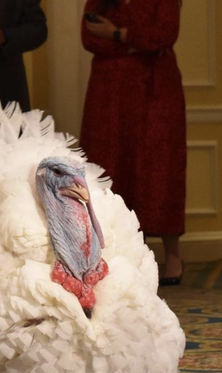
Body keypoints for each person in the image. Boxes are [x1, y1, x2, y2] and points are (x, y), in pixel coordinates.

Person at [80, 0, 186, 285]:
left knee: (160, 169)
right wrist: (134, 42)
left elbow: (163, 35)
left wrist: (117, 34)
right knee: (111, 167)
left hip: (155, 93)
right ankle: (117, 254)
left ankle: (172, 255)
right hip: (109, 96)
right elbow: (89, 36)